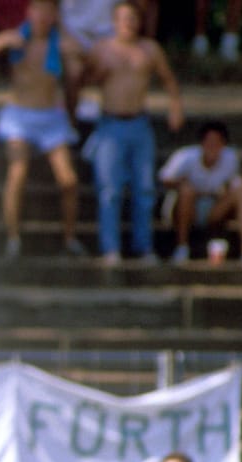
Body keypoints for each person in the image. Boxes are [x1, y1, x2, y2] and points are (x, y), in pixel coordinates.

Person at [0, 0, 85, 261]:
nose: (41, 17)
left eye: (47, 12)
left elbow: (87, 56)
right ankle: (13, 238)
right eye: (36, 11)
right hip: (19, 115)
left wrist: (62, 33)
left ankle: (70, 238)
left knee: (69, 180)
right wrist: (4, 42)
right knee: (17, 172)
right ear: (29, 13)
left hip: (51, 116)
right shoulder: (16, 37)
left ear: (54, 16)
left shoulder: (60, 42)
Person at [81, 0, 183, 267]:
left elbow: (169, 79)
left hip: (139, 123)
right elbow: (81, 80)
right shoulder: (101, 49)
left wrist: (175, 108)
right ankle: (110, 248)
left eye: (132, 19)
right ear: (114, 22)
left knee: (145, 188)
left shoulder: (149, 49)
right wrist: (97, 77)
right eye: (123, 19)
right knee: (109, 190)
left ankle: (143, 246)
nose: (128, 24)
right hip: (109, 124)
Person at [158, 121, 242, 266]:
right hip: (185, 208)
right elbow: (164, 179)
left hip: (213, 209)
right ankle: (181, 248)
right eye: (209, 142)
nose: (212, 147)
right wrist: (183, 183)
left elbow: (231, 183)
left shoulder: (230, 158)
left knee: (241, 190)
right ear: (202, 143)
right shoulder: (185, 157)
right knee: (187, 190)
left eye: (217, 143)